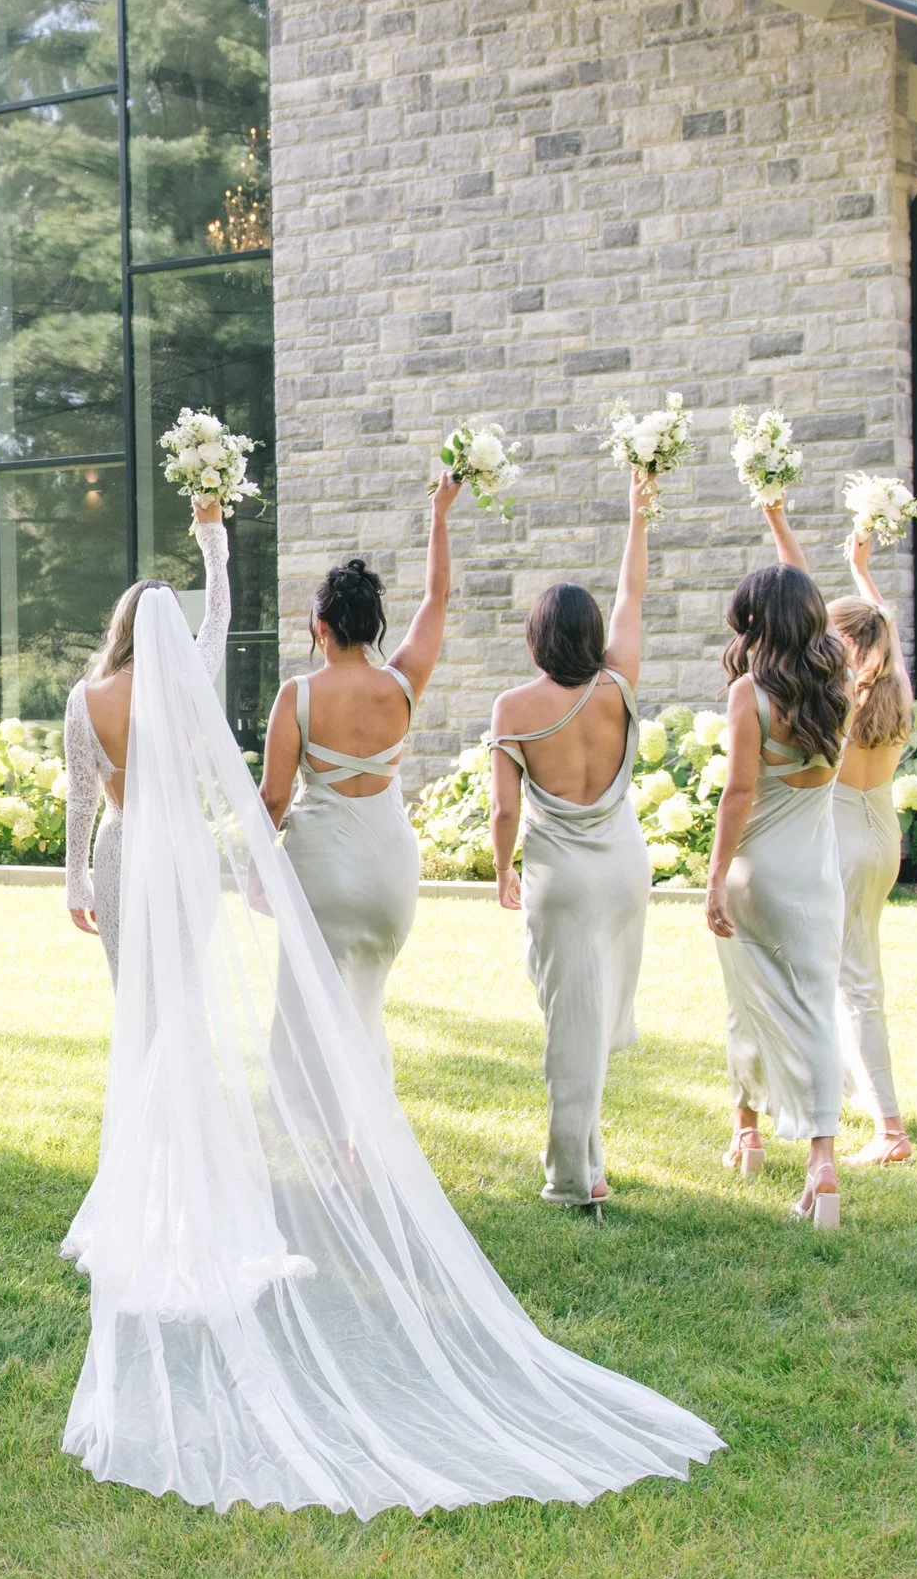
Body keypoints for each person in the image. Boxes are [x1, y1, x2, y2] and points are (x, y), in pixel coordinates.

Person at [60, 587, 721, 1515]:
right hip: (330, 867)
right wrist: (219, 546)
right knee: (315, 1015)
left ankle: (173, 1185)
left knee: (157, 1028)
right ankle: (314, 1148)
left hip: (159, 855)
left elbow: (114, 796)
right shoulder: (240, 689)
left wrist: (80, 878)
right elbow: (258, 649)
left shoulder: (106, 701)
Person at [485, 468, 656, 1215]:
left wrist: (502, 871)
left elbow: (503, 810)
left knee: (568, 1024)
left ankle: (569, 1178)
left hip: (561, 875)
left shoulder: (514, 707)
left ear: (536, 638)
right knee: (592, 1013)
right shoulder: (618, 687)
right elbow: (633, 596)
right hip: (623, 871)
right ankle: (591, 1159)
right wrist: (637, 516)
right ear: (591, 636)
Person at [256, 474, 452, 1076]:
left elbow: (273, 798)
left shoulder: (298, 694)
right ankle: (363, 1115)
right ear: (373, 627)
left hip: (322, 876)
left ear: (321, 627)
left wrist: (256, 867)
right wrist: (440, 515)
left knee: (310, 1014)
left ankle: (322, 1116)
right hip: (389, 878)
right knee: (364, 1007)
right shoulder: (403, 683)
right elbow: (437, 599)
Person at [709, 499, 852, 1229]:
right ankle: (819, 1161)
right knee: (814, 1011)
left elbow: (738, 793)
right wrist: (779, 524)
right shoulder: (840, 686)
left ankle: (748, 1133)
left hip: (755, 876)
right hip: (817, 880)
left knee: (748, 1004)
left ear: (759, 626)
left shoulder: (750, 695)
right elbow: (810, 600)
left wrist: (712, 878)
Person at [63, 497, 229, 974]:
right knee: (186, 986)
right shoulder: (191, 681)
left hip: (121, 851)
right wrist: (211, 534)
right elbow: (217, 616)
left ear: (122, 626)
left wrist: (75, 881)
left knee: (131, 991)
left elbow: (81, 799)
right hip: (185, 848)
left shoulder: (86, 698)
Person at [824, 533, 915, 1164]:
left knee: (856, 983)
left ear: (850, 646)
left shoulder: (841, 702)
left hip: (844, 844)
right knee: (851, 971)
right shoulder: (896, 691)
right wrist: (860, 569)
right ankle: (849, 1087)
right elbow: (891, 634)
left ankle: (890, 1130)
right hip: (884, 837)